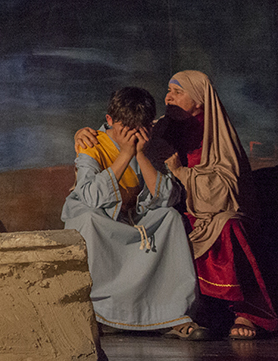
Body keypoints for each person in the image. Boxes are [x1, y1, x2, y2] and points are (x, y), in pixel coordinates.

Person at [75, 71, 277, 339]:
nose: (168, 97)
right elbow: (96, 176)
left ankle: (179, 313)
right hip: (140, 209)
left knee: (190, 220)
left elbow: (216, 188)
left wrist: (176, 170)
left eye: (177, 92)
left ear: (199, 100)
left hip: (208, 207)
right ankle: (105, 311)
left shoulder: (207, 134)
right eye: (168, 91)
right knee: (100, 220)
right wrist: (87, 134)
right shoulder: (155, 129)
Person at [62, 87, 206, 338]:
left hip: (135, 217)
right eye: (125, 129)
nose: (132, 136)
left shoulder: (154, 145)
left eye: (140, 129)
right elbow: (91, 197)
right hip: (103, 219)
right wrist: (125, 154)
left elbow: (167, 197)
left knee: (170, 218)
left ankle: (173, 314)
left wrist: (140, 155)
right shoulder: (92, 143)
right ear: (110, 120)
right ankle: (99, 314)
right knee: (89, 220)